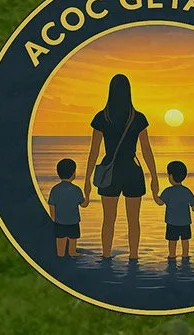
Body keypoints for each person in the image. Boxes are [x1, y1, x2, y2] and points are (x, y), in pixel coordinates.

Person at [81, 73, 158, 260]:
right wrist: (154, 177)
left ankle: (106, 256)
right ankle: (133, 257)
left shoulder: (102, 117)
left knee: (108, 220)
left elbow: (94, 152)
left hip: (110, 172)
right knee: (134, 221)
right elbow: (146, 150)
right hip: (132, 170)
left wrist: (87, 179)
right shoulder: (137, 118)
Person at [156, 160, 194, 263]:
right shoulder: (187, 191)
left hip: (172, 222)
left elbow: (160, 202)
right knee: (185, 241)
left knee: (172, 241)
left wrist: (154, 193)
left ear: (171, 176)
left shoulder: (168, 191)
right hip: (185, 222)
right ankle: (185, 256)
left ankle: (172, 256)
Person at [47, 157, 85, 258]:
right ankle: (73, 253)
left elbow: (51, 205)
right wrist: (88, 195)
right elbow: (83, 204)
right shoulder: (77, 190)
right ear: (73, 173)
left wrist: (54, 219)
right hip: (73, 222)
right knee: (73, 244)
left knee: (60, 246)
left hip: (59, 222)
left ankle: (60, 255)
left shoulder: (54, 189)